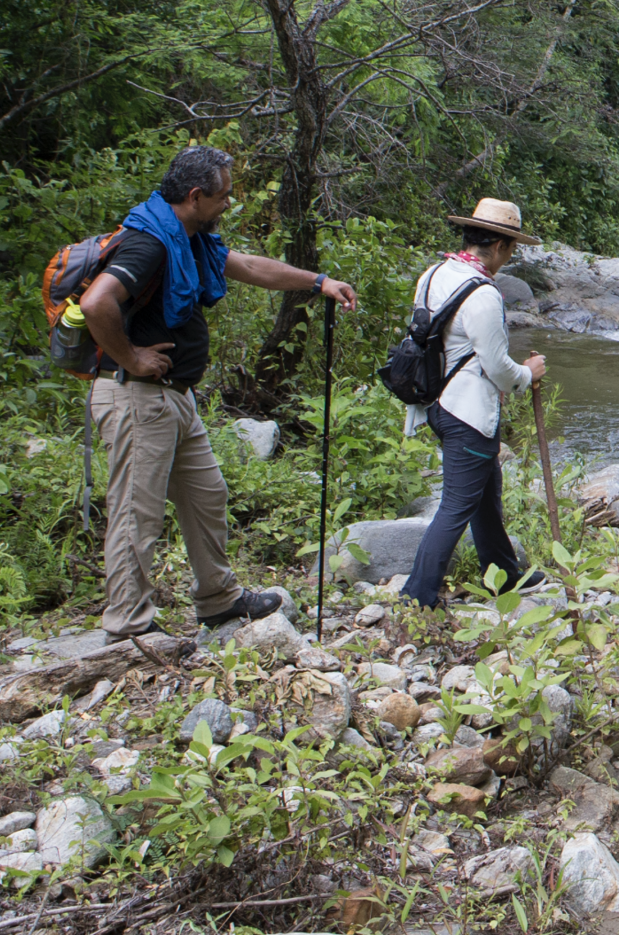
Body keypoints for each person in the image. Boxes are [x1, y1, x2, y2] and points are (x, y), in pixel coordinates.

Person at [79, 144, 362, 641]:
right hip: (137, 396)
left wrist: (318, 281)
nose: (229, 204)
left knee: (207, 494)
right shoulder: (149, 243)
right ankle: (128, 625)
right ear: (194, 196)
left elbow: (251, 266)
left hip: (175, 397)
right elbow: (96, 301)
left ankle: (218, 598)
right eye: (224, 196)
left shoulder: (192, 239)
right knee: (135, 513)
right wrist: (132, 357)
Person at [403, 199, 552, 607]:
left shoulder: (434, 274)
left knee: (486, 494)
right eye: (512, 247)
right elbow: (498, 369)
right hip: (467, 413)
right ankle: (417, 597)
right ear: (501, 247)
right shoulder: (483, 294)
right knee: (455, 506)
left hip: (434, 401)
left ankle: (503, 575)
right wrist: (529, 373)